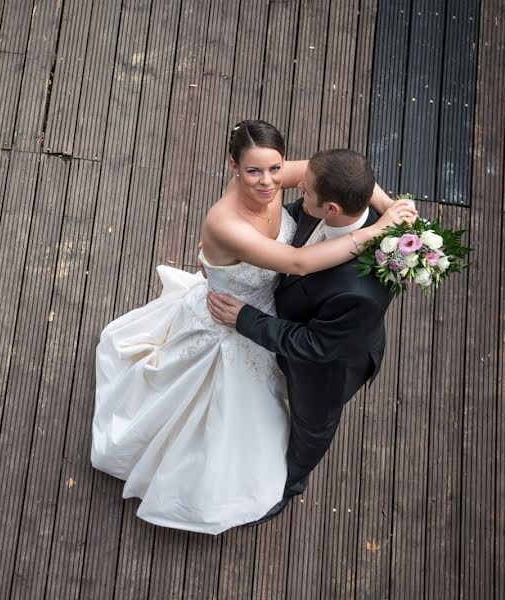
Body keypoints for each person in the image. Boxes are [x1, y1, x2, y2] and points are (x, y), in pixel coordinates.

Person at [91, 120, 415, 534]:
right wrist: (377, 231)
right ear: (233, 166)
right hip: (233, 316)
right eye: (253, 172)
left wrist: (388, 209)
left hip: (295, 329)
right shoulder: (226, 221)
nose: (271, 184)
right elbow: (297, 264)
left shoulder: (294, 183)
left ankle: (290, 481)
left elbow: (349, 176)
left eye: (276, 170)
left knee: (306, 418)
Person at [207, 147, 401, 525]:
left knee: (314, 427)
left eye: (306, 193)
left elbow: (316, 345)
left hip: (326, 368)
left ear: (330, 208)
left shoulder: (360, 292)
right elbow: (291, 233)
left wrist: (244, 318)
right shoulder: (345, 198)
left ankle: (290, 484)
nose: (298, 195)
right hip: (291, 311)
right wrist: (236, 251)